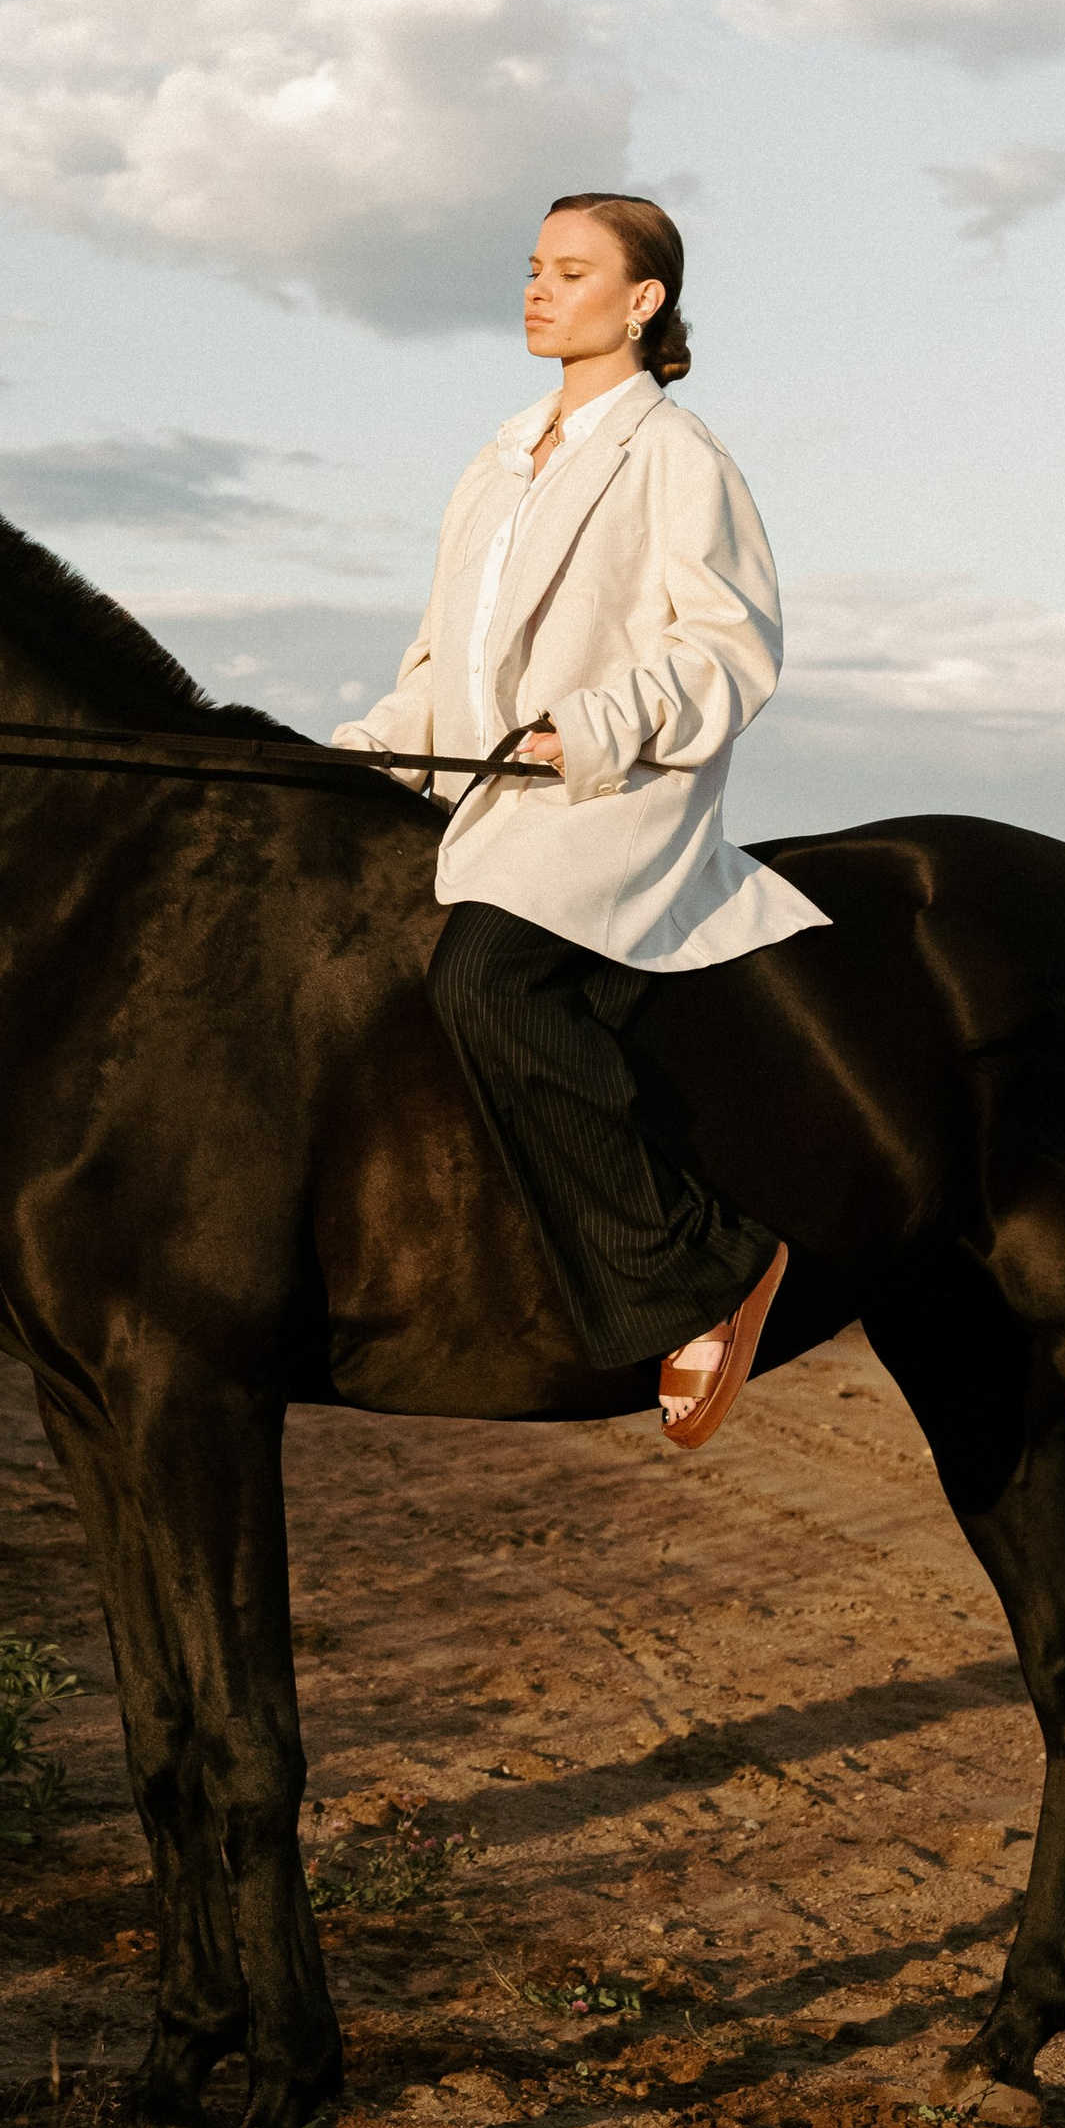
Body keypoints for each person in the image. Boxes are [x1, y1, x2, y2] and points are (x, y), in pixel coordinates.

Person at [335, 192, 826, 1447]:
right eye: (532, 268)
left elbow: (730, 650)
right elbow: (443, 669)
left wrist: (596, 725)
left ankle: (695, 1267)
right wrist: (349, 759)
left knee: (485, 982)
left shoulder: (678, 456)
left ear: (643, 300)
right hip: (490, 800)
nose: (537, 290)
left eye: (569, 271)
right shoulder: (499, 460)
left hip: (611, 798)